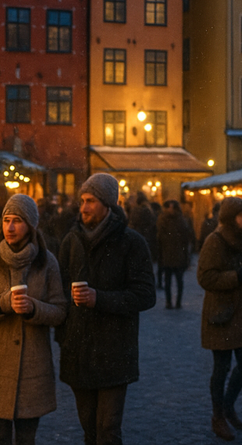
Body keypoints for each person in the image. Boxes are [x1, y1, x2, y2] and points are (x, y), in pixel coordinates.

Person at [57, 174, 156, 445]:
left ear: (108, 204)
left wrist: (99, 299)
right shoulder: (71, 241)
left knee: (108, 429)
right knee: (89, 428)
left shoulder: (132, 242)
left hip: (114, 350)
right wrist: (63, 335)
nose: (84, 207)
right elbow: (60, 291)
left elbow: (146, 295)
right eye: (82, 201)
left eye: (91, 201)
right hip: (78, 350)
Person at [0, 194, 67, 445]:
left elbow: (60, 311)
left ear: (31, 225)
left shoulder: (47, 261)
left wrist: (34, 308)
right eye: (6, 220)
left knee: (26, 439)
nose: (10, 227)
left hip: (34, 368)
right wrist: (1, 303)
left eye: (17, 221)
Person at [198, 196, 242, 441]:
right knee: (221, 368)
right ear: (232, 217)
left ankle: (228, 406)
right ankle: (218, 416)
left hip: (241, 311)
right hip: (220, 313)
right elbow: (206, 278)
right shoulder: (214, 241)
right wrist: (237, 276)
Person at [156, 200, 194, 309]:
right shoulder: (179, 220)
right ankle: (173, 302)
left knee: (175, 281)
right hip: (173, 255)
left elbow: (185, 240)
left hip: (173, 255)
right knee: (173, 281)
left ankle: (175, 302)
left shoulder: (168, 220)